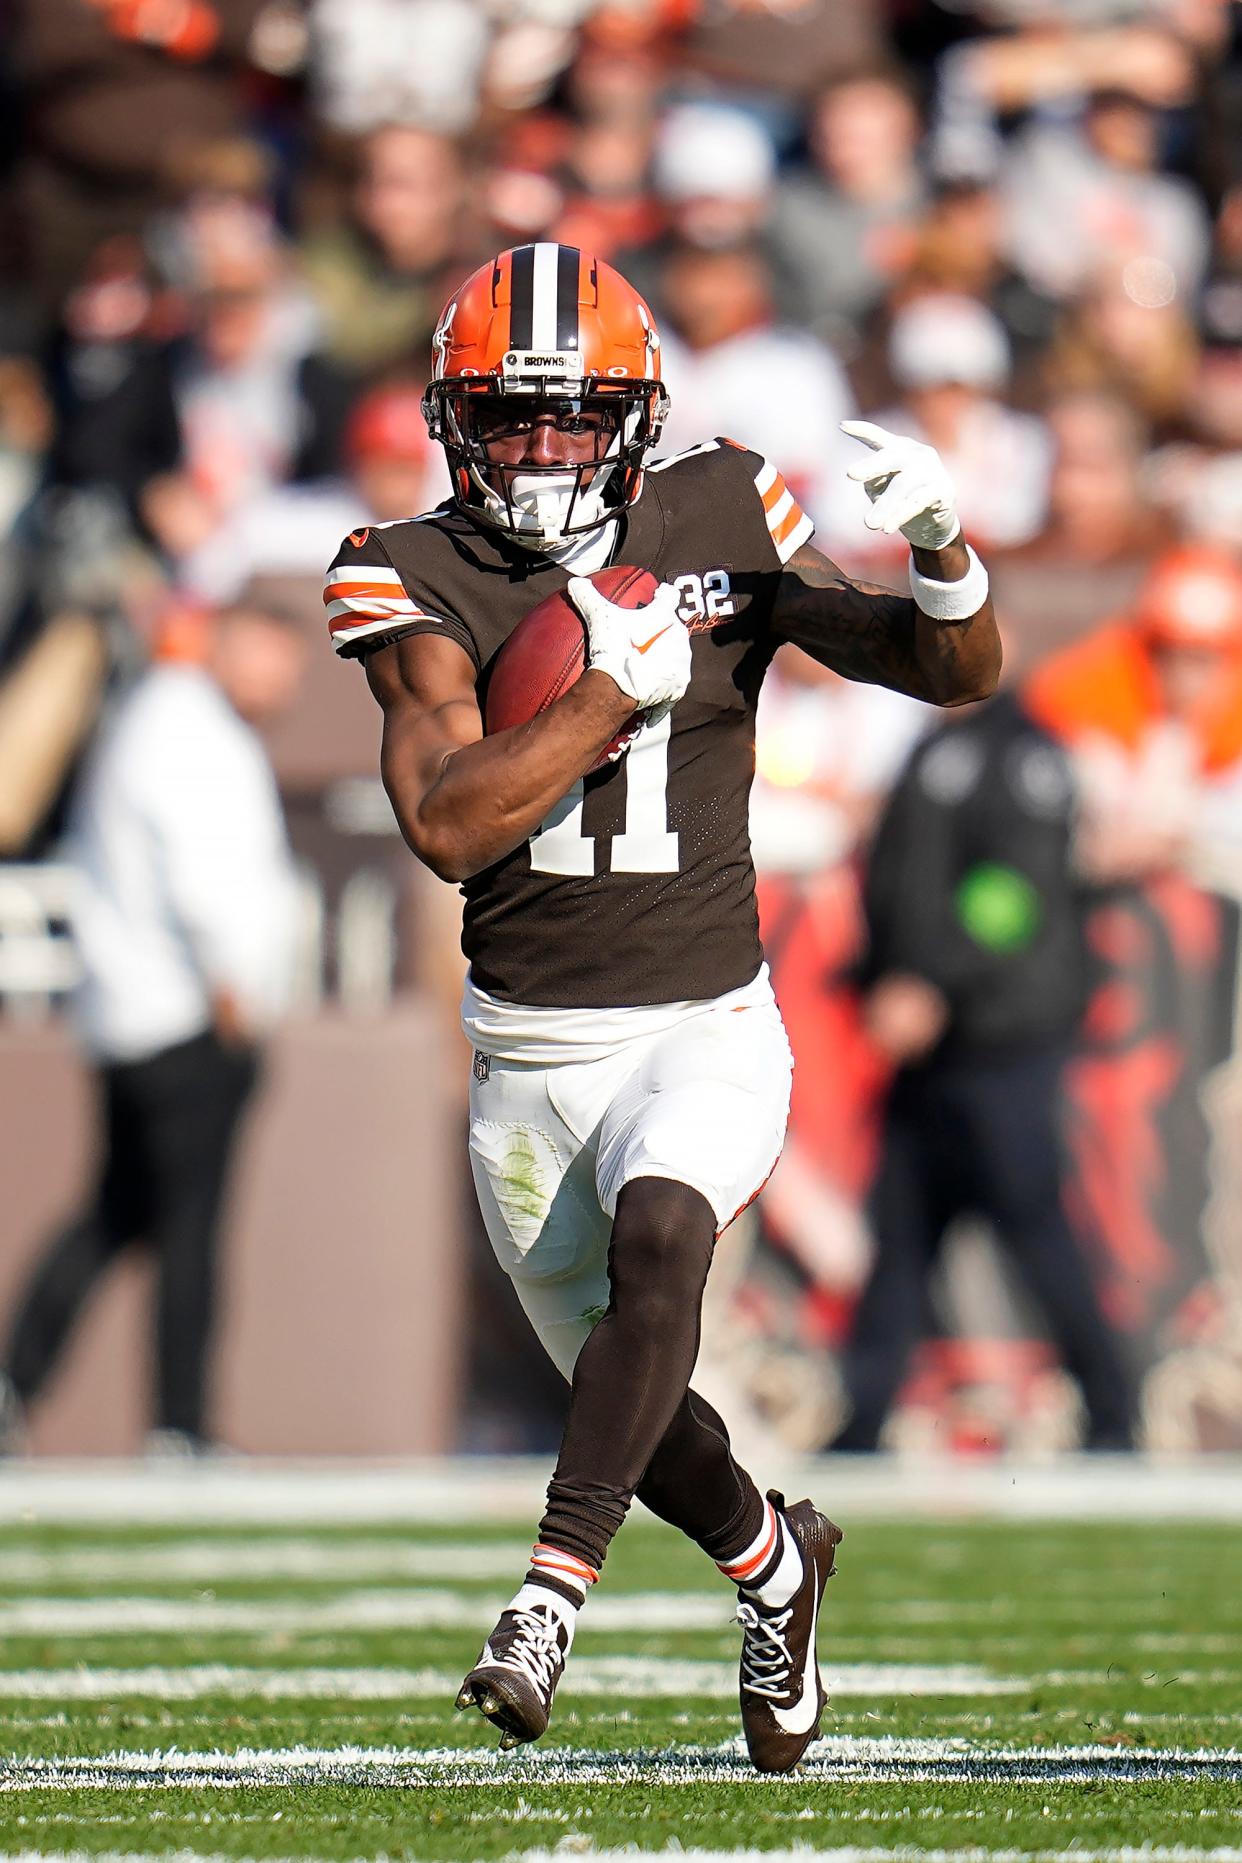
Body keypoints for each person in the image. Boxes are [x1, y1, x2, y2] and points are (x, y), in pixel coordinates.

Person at [325, 241, 1000, 1767]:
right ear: (455, 424)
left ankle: (544, 1602)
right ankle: (776, 1557)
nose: (549, 449)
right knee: (642, 1409)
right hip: (527, 1059)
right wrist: (597, 698)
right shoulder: (407, 568)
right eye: (515, 419)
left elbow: (936, 667)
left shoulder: (716, 506)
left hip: (702, 1015)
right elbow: (446, 818)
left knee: (664, 1233)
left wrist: (944, 554)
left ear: (635, 421)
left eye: (578, 419)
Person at [0, 600, 303, 1456]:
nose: (280, 680)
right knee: (189, 1229)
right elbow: (206, 878)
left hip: (138, 1016)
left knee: (116, 1213)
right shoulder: (187, 728)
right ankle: (180, 1425)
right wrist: (236, 990)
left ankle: (15, 1382)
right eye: (269, 654)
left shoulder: (168, 722)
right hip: (182, 1021)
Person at [831, 689, 1139, 1456]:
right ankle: (862, 1419)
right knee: (901, 1230)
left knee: (1036, 1225)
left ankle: (1113, 1411)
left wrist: (929, 981)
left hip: (1003, 1042)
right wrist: (877, 974)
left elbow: (1010, 897)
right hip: (936, 1053)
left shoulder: (1023, 752)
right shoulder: (933, 744)